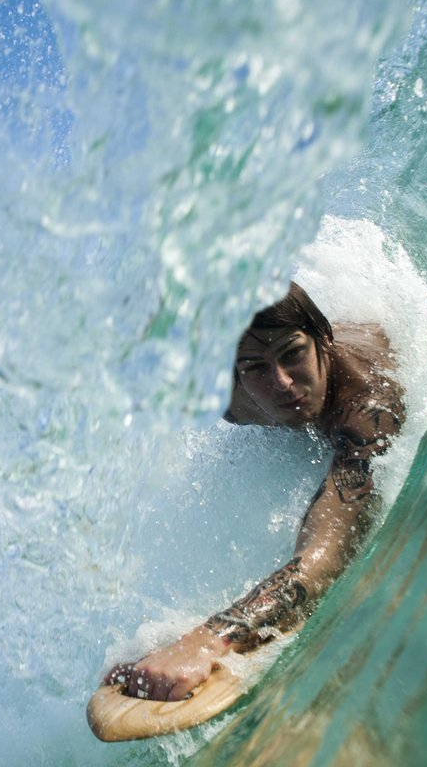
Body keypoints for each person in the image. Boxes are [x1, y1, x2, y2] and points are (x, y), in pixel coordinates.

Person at [105, 281, 405, 702]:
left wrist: (208, 640)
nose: (281, 383)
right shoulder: (233, 398)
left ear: (321, 339)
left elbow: (329, 548)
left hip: (372, 345)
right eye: (255, 367)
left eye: (293, 354)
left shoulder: (368, 410)